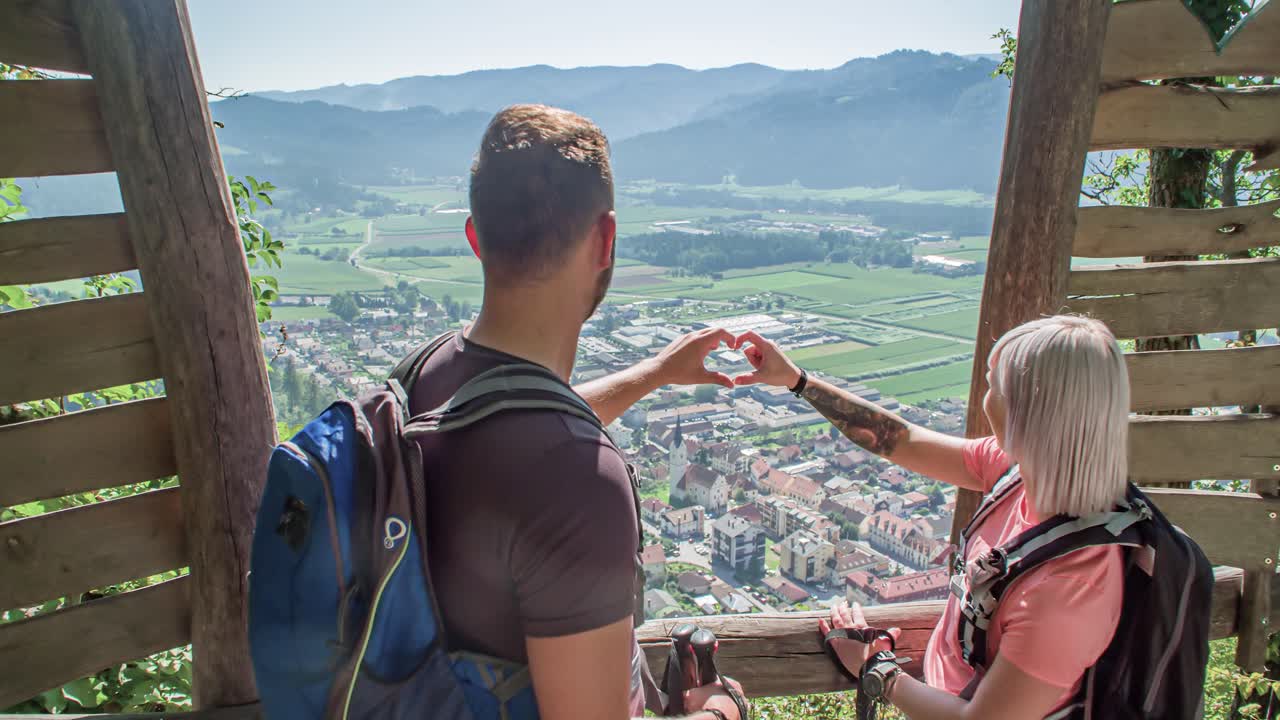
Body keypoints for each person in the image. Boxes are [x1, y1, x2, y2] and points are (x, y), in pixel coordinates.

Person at [408, 104, 746, 720]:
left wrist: (658, 371)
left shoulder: (424, 380)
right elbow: (544, 448)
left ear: (475, 237)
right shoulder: (579, 485)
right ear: (606, 240)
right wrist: (721, 713)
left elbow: (514, 430)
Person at [732, 315, 1131, 720]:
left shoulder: (1069, 589)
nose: (984, 396)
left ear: (1029, 411)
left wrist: (876, 668)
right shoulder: (1019, 473)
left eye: (993, 385)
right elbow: (899, 440)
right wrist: (798, 381)